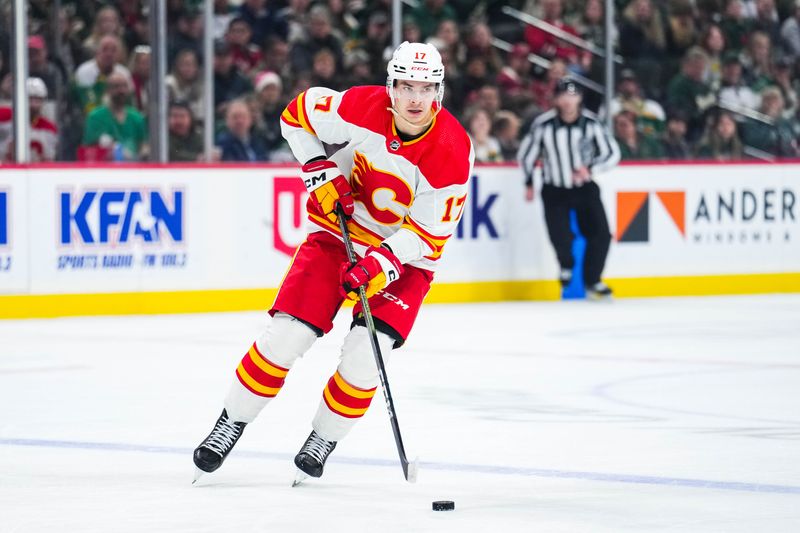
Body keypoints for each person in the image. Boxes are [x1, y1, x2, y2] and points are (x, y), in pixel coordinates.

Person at [193, 41, 473, 483]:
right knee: (285, 336)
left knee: (366, 356)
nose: (415, 99)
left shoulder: (453, 149)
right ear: (390, 87)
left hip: (406, 257)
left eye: (425, 88)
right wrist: (318, 168)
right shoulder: (362, 105)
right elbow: (295, 115)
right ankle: (231, 421)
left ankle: (324, 437)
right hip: (337, 235)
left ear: (439, 91)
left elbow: (429, 236)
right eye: (406, 86)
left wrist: (382, 262)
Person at [518, 78, 620, 300]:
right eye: (563, 95)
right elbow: (527, 154)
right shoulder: (544, 125)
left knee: (601, 234)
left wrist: (591, 169)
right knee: (561, 234)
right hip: (554, 188)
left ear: (580, 98)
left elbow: (612, 153)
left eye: (572, 95)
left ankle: (593, 280)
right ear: (555, 99)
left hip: (584, 187)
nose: (567, 101)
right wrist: (528, 182)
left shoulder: (592, 124)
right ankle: (566, 264)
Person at [81, 72, 148, 161]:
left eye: (124, 86)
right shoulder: (95, 117)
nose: (121, 90)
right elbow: (88, 150)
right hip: (104, 170)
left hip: (133, 169)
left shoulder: (137, 117)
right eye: (116, 86)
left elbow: (143, 144)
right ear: (107, 90)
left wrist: (143, 154)